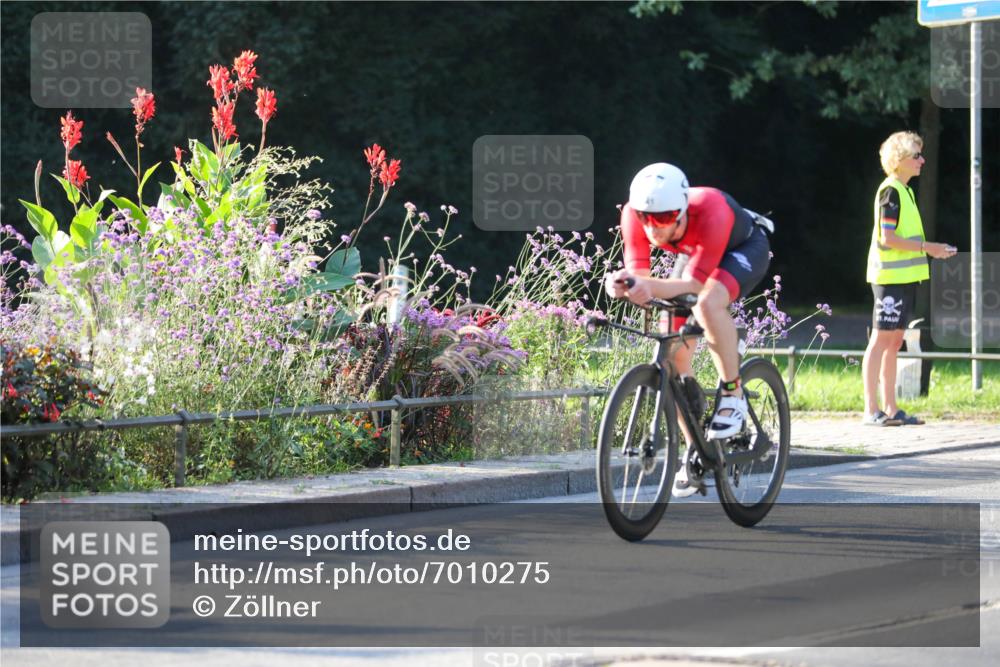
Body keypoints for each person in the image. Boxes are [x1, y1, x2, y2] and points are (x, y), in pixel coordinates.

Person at [604, 163, 774, 494]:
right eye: (646, 218)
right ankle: (695, 447)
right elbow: (639, 275)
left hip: (742, 248)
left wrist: (645, 285)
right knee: (673, 358)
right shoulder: (634, 214)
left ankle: (732, 392)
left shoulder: (710, 208)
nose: (653, 228)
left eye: (664, 218)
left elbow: (694, 286)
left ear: (682, 210)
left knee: (708, 302)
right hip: (696, 253)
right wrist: (622, 285)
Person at [862, 131, 956, 426]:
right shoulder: (890, 191)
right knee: (880, 341)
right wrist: (930, 248)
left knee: (894, 342)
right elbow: (888, 238)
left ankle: (891, 408)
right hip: (889, 279)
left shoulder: (906, 191)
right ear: (899, 160)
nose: (922, 160)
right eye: (916, 155)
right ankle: (871, 410)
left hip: (903, 279)